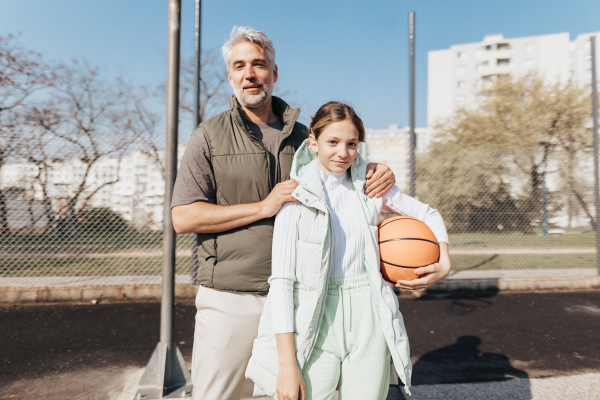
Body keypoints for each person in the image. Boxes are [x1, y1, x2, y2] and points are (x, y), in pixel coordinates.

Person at [171, 27, 397, 400]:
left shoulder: (309, 137)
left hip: (303, 297)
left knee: (292, 393)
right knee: (215, 395)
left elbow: (351, 173)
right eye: (240, 65)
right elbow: (184, 217)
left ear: (274, 73)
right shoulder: (208, 136)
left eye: (259, 64)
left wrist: (380, 170)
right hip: (233, 296)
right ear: (230, 76)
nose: (250, 73)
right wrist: (263, 207)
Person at [245, 102, 451, 400]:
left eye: (351, 143)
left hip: (368, 311)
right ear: (313, 142)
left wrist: (443, 261)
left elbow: (429, 215)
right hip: (315, 315)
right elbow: (281, 283)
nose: (343, 152)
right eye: (332, 142)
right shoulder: (294, 196)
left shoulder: (370, 188)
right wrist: (288, 364)